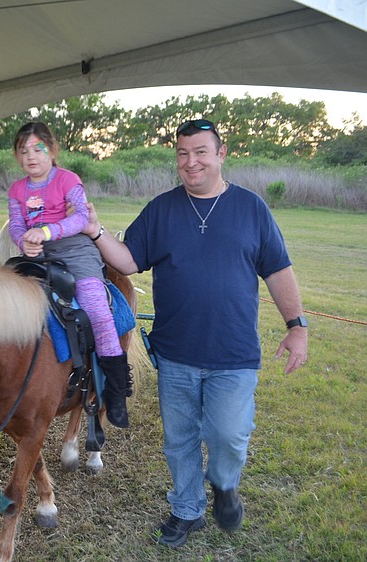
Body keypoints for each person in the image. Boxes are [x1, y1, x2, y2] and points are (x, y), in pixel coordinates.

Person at [82, 118, 309, 547]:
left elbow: (278, 271)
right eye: (183, 154)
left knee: (228, 434)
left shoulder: (251, 208)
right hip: (175, 353)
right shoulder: (162, 208)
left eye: (201, 152)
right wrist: (95, 230)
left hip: (233, 355)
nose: (191, 162)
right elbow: (129, 260)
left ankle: (224, 484)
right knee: (179, 440)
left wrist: (296, 327)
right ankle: (188, 509)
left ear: (221, 154)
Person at [7, 121, 131, 428]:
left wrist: (48, 230)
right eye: (23, 151)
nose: (31, 156)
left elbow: (80, 218)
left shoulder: (67, 179)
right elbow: (16, 224)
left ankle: (116, 391)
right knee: (5, 304)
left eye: (38, 148)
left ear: (52, 150)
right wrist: (23, 241)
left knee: (96, 309)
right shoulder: (17, 190)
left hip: (75, 251)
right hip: (38, 254)